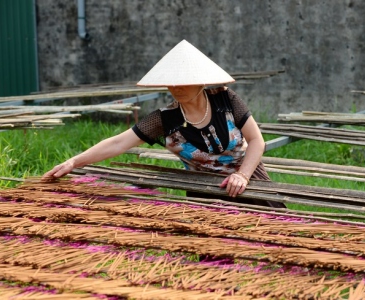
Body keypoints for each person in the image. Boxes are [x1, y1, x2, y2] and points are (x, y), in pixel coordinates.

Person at [43, 40, 285, 208]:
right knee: (215, 256)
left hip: (248, 177)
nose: (176, 87)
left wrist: (242, 175)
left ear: (200, 81)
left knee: (279, 235)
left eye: (183, 81)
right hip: (203, 189)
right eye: (171, 82)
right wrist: (74, 161)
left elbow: (256, 140)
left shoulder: (225, 99)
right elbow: (119, 142)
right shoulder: (164, 120)